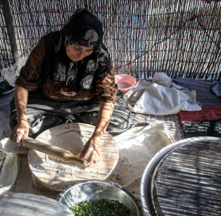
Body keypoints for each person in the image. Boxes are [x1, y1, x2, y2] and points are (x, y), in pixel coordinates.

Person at [9, 9, 131, 166]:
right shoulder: (47, 46)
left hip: (86, 103)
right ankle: (75, 122)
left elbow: (107, 97)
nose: (81, 55)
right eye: (77, 47)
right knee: (19, 124)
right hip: (49, 102)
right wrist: (22, 121)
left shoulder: (101, 55)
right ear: (67, 38)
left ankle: (61, 123)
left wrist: (96, 138)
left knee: (121, 121)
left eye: (88, 50)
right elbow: (22, 84)